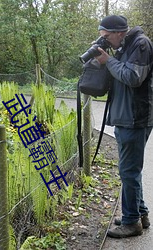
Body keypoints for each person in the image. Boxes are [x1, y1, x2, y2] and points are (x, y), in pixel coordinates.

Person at [95, 15, 153, 238]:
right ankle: (140, 214)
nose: (106, 41)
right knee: (130, 171)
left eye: (107, 37)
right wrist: (105, 60)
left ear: (119, 32)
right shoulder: (124, 46)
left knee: (128, 171)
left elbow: (132, 77)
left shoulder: (141, 44)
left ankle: (131, 223)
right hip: (125, 117)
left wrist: (108, 61)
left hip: (135, 118)